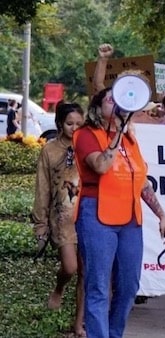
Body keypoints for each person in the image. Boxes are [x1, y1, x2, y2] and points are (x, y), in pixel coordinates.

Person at [73, 86, 165, 338]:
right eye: (110, 100)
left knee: (129, 286)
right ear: (97, 107)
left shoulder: (130, 138)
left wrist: (161, 214)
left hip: (129, 219)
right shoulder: (86, 134)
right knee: (98, 286)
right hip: (97, 216)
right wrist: (116, 134)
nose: (117, 105)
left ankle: (114, 333)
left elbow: (141, 180)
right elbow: (102, 165)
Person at [32, 101, 85, 337]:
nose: (74, 127)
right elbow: (42, 189)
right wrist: (40, 223)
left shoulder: (89, 146)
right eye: (69, 123)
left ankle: (78, 324)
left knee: (87, 272)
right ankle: (59, 287)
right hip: (61, 217)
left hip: (88, 214)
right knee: (71, 267)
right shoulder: (50, 150)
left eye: (79, 123)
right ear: (59, 124)